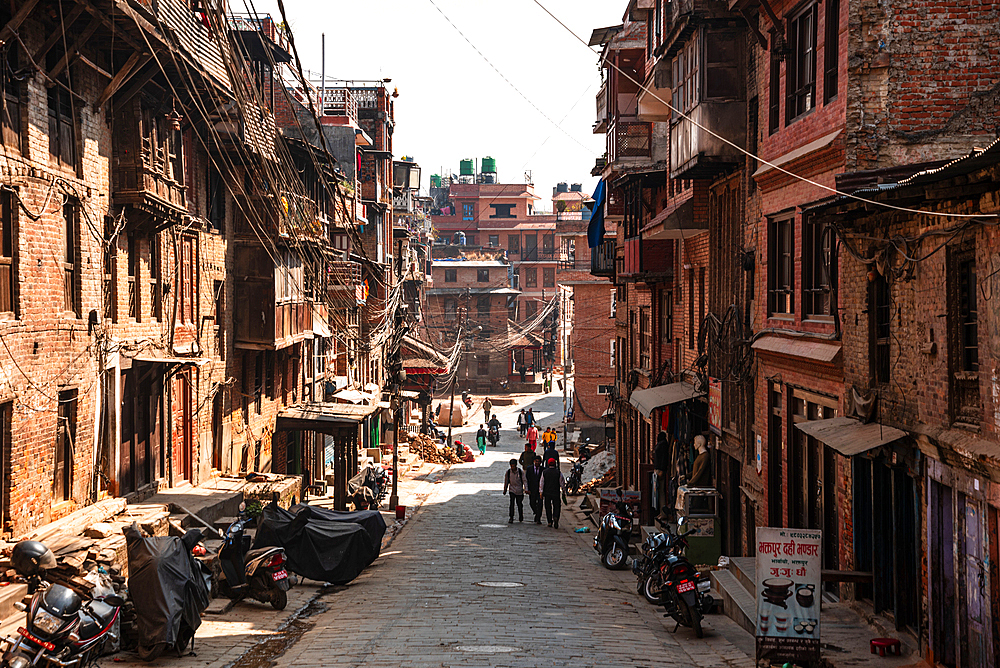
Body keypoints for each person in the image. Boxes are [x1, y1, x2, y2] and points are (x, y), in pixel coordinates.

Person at [540, 458, 566, 528]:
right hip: (556, 492)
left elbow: (542, 483)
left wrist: (541, 492)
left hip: (547, 492)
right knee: (557, 506)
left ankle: (549, 521)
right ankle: (556, 516)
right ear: (555, 464)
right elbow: (562, 483)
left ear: (548, 464)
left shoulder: (544, 472)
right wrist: (563, 491)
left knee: (548, 507)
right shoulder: (558, 472)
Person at [503, 459, 527, 523]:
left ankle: (520, 516)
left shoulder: (520, 472)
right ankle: (511, 517)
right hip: (512, 489)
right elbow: (506, 481)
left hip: (519, 490)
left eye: (513, 466)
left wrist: (526, 489)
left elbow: (524, 480)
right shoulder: (508, 472)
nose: (513, 467)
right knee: (511, 504)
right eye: (511, 466)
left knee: (519, 504)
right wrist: (505, 489)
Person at [653, 431, 670, 521]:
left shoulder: (663, 445)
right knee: (658, 493)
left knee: (661, 492)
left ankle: (663, 513)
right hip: (658, 470)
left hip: (660, 470)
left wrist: (662, 470)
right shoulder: (662, 444)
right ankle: (661, 512)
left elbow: (663, 459)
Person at [525, 455, 544, 524]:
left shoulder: (543, 470)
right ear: (534, 461)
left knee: (540, 504)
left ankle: (538, 518)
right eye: (536, 461)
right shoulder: (529, 469)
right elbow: (526, 479)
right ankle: (536, 512)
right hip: (532, 489)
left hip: (540, 490)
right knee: (532, 503)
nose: (537, 463)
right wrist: (527, 489)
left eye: (538, 461)